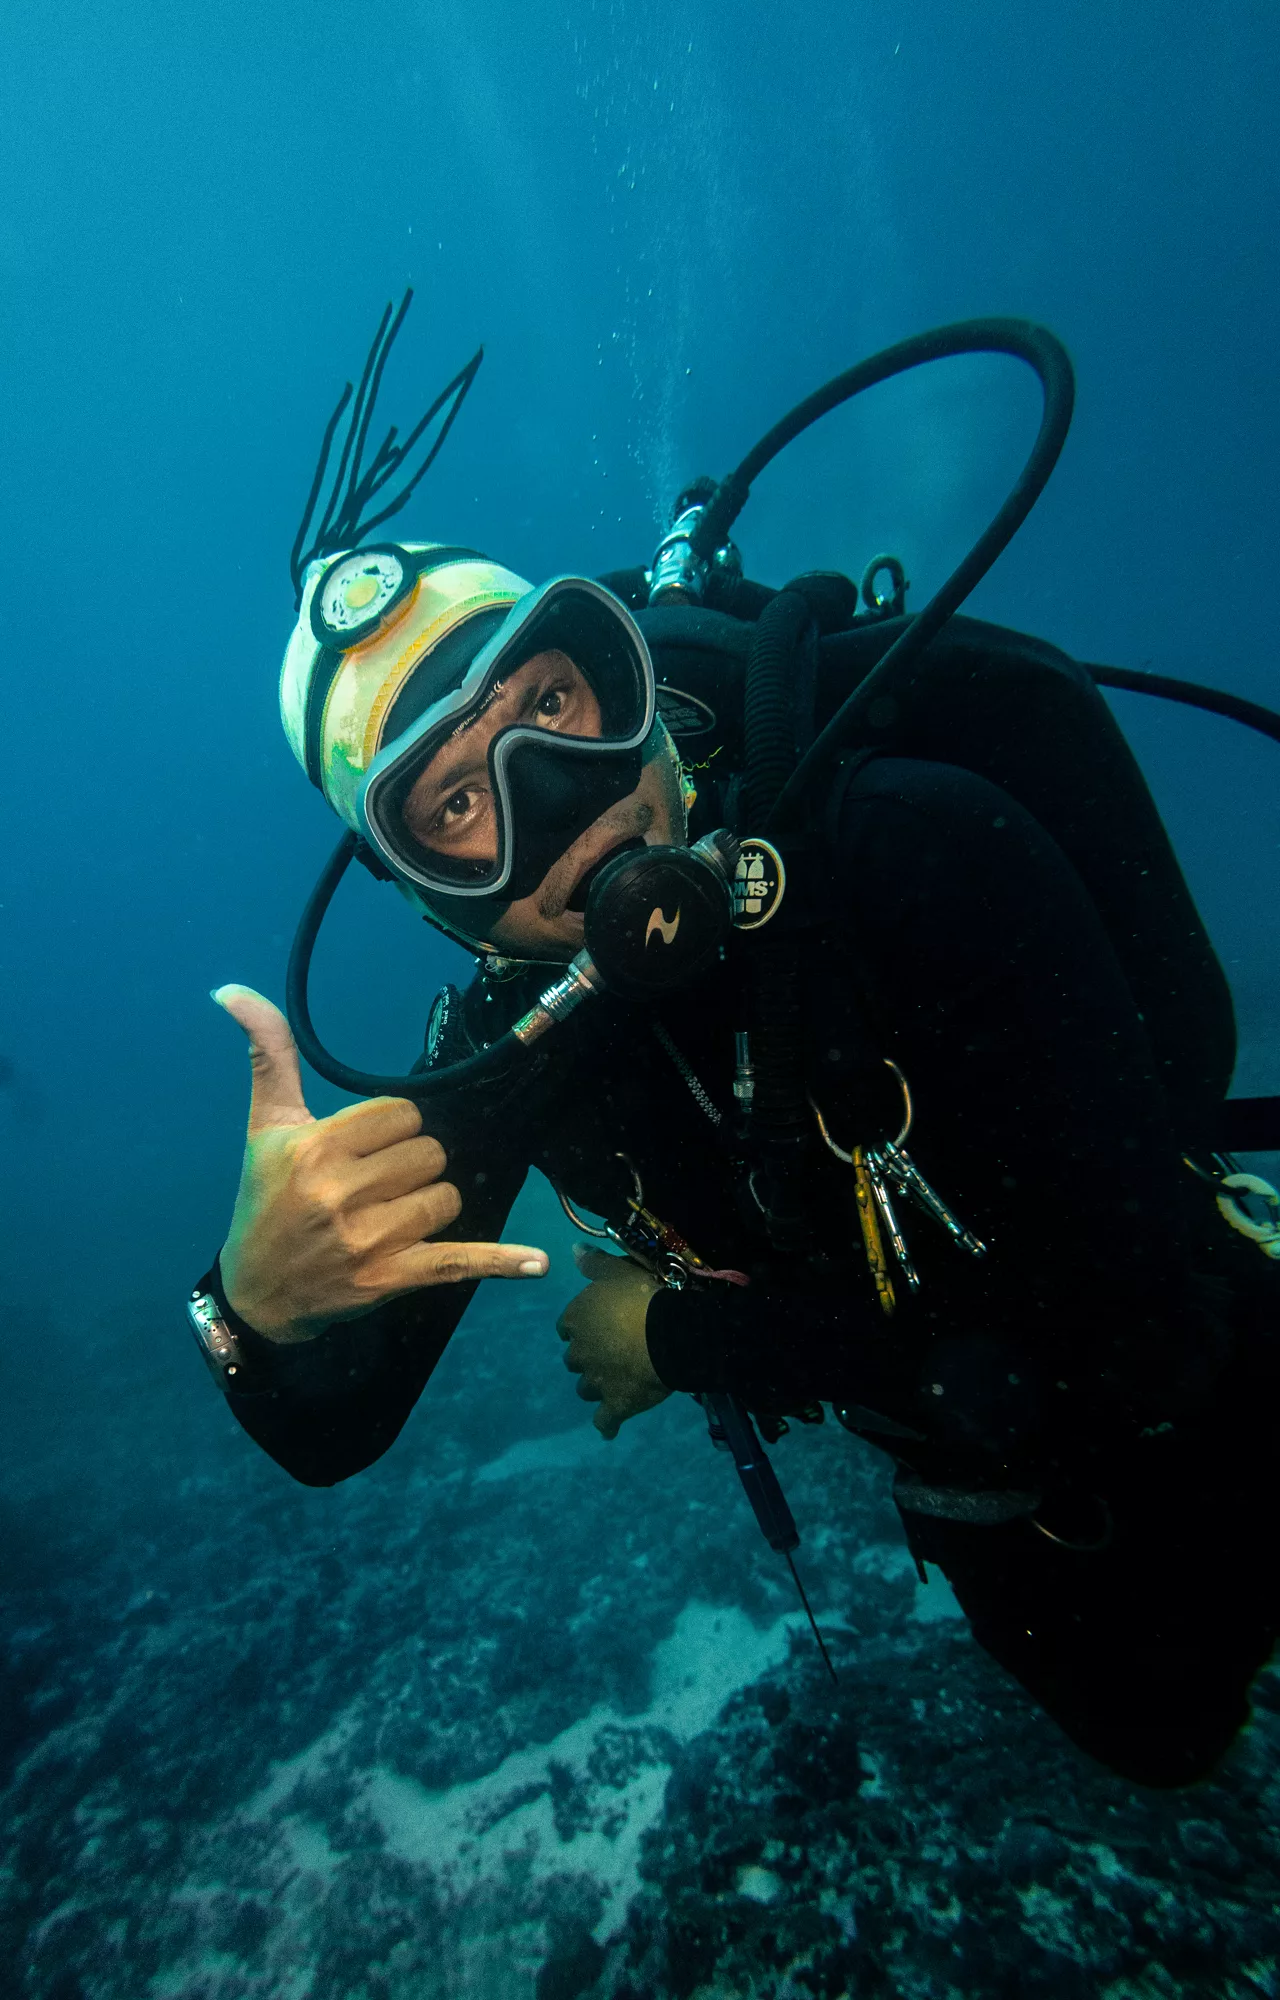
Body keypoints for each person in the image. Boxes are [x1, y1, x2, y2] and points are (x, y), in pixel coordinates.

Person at [190, 302, 1280, 1790]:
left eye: (552, 704)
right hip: (991, 1501)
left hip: (1217, 1392)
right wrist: (251, 1304)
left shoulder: (906, 843)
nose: (560, 806)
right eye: (457, 804)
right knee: (1159, 1742)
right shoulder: (519, 1044)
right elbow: (331, 1430)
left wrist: (676, 1339)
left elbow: (1128, 1335)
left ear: (625, 674)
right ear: (432, 897)